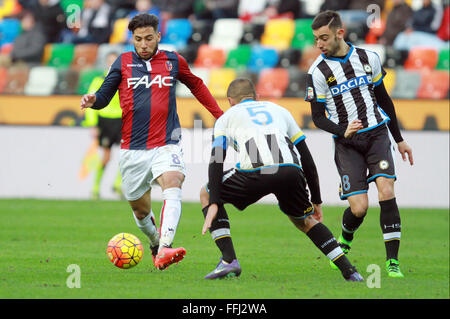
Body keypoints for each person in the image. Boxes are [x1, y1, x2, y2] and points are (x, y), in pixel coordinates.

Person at [80, 13, 224, 270]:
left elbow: (197, 85)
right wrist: (93, 100)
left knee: (173, 180)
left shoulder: (172, 60)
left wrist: (220, 116)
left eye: (149, 38)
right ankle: (156, 241)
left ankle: (166, 247)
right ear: (131, 39)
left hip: (167, 141)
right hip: (133, 149)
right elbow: (104, 96)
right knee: (140, 210)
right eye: (138, 39)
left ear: (158, 36)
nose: (144, 44)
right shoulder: (122, 62)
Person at [200, 78, 364, 282]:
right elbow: (307, 158)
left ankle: (228, 260)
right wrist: (316, 200)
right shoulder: (280, 110)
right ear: (256, 96)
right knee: (305, 221)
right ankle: (351, 272)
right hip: (290, 169)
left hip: (256, 171)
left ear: (230, 101)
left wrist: (214, 200)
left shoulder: (227, 117)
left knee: (205, 193)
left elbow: (217, 158)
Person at [305, 10, 414, 278]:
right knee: (359, 208)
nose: (319, 44)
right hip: (347, 144)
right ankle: (346, 239)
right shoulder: (317, 71)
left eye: (324, 38)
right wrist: (343, 130)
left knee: (386, 191)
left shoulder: (369, 58)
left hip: (377, 135)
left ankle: (392, 263)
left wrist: (398, 139)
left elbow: (384, 100)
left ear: (340, 33)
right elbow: (317, 117)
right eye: (316, 39)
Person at [81, 51, 123, 200]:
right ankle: (96, 187)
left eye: (114, 61)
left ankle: (118, 184)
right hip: (105, 120)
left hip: (122, 119)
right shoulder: (99, 80)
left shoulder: (125, 78)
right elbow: (90, 101)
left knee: (127, 154)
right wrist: (92, 124)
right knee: (106, 156)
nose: (112, 64)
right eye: (110, 61)